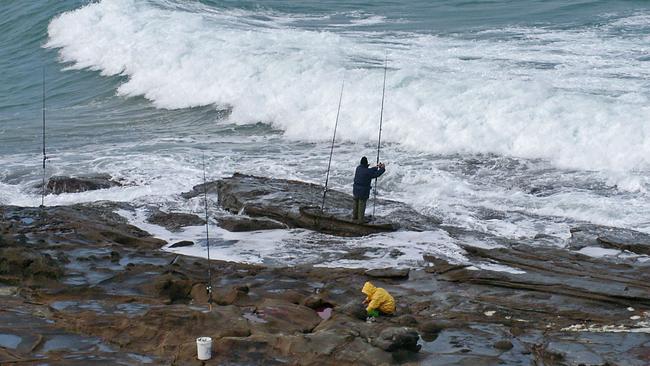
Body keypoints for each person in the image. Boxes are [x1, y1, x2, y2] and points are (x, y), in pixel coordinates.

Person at [352, 156, 385, 223]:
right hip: (363, 191)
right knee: (362, 204)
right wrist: (382, 169)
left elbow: (369, 170)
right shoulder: (367, 171)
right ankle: (360, 220)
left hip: (355, 189)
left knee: (356, 202)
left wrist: (376, 167)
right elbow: (376, 174)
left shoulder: (358, 168)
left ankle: (354, 217)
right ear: (366, 163)